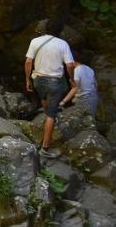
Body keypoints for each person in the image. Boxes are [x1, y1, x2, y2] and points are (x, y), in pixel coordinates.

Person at [23, 18, 77, 155]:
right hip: (54, 82)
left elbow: (28, 62)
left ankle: (46, 111)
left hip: (38, 80)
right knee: (52, 115)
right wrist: (71, 79)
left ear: (46, 28)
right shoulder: (63, 44)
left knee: (43, 95)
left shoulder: (35, 41)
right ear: (60, 31)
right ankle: (45, 148)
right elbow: (70, 65)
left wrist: (27, 79)